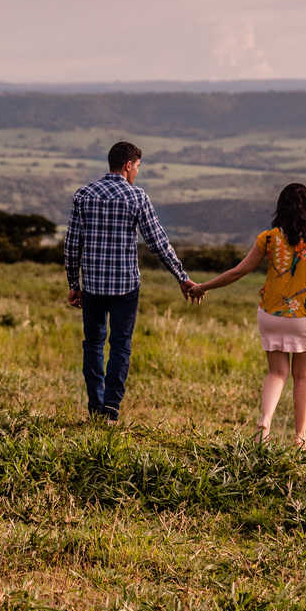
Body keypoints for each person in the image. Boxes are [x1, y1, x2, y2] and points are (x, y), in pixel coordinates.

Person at [189, 183, 306, 446]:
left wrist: (203, 286)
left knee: (277, 373)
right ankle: (300, 437)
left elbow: (238, 271)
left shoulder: (268, 239)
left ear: (280, 210)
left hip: (270, 314)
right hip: (304, 318)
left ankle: (264, 422)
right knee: (303, 376)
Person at [64, 141, 200, 421]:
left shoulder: (84, 195)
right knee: (120, 346)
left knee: (92, 343)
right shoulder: (137, 197)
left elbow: (72, 244)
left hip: (91, 284)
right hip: (125, 286)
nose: (137, 172)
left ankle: (95, 405)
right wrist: (181, 276)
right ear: (128, 166)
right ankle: (111, 410)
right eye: (137, 167)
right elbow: (158, 243)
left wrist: (73, 283)